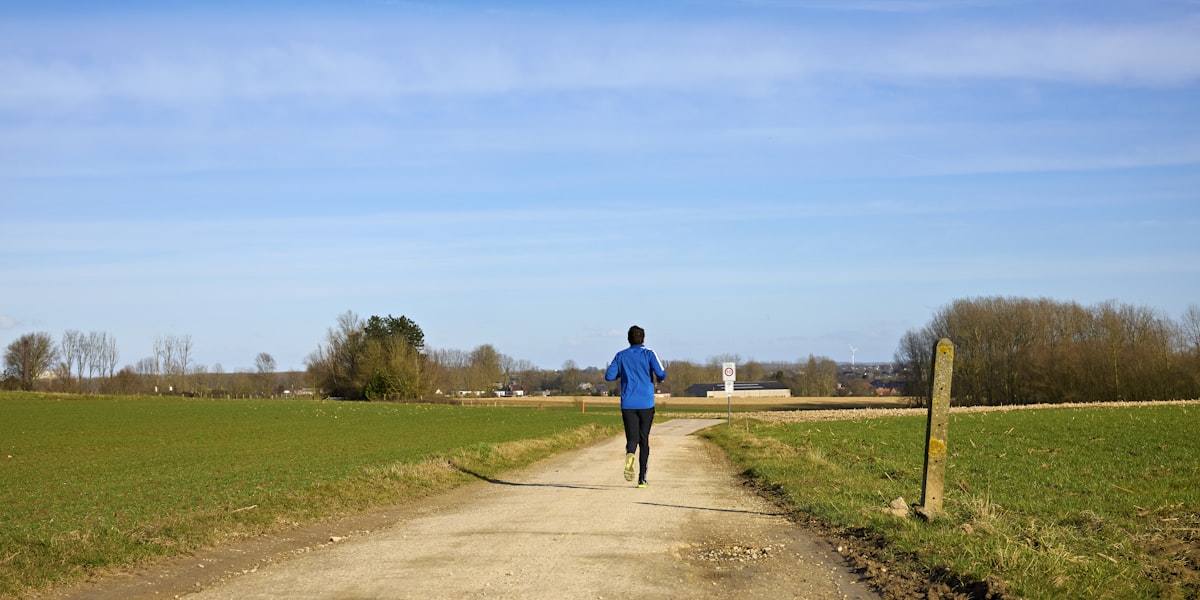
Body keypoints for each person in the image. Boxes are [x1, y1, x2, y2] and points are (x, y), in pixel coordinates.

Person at [604, 325, 666, 488]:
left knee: (632, 438)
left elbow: (609, 376)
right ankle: (642, 478)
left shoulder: (621, 356)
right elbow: (661, 374)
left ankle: (630, 454)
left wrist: (622, 372)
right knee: (644, 439)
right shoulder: (649, 353)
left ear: (628, 339)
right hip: (646, 403)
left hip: (628, 404)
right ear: (643, 339)